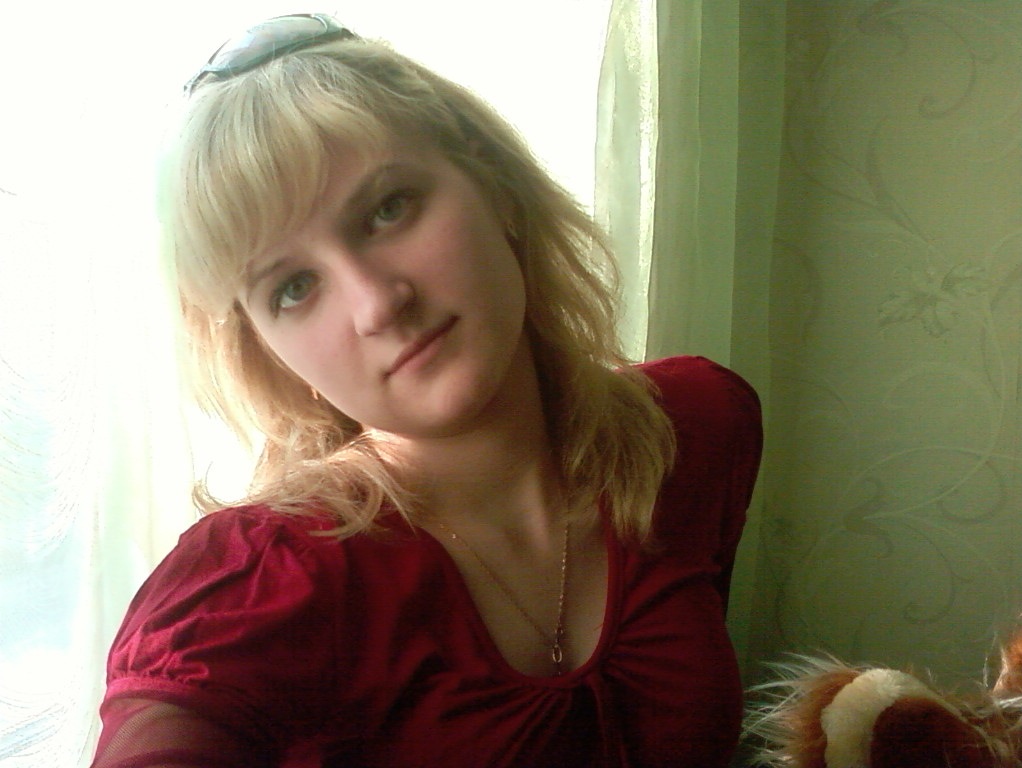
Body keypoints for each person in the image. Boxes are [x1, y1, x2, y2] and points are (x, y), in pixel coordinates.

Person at [90, 13, 762, 768]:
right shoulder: (255, 592)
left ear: (494, 185)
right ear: (269, 350)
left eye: (388, 209)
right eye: (294, 287)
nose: (377, 304)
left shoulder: (697, 428)